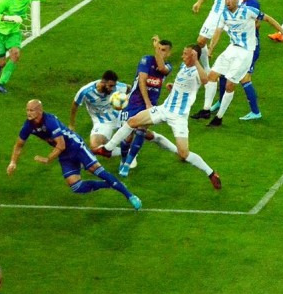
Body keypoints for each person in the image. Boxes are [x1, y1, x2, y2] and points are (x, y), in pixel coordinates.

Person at [99, 45, 222, 189]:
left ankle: (211, 173)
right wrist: (173, 87)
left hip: (179, 117)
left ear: (193, 55)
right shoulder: (183, 66)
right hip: (164, 109)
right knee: (132, 122)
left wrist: (196, 61)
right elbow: (185, 85)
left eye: (185, 54)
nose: (182, 56)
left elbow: (205, 80)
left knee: (184, 154)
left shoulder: (197, 70)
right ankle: (108, 148)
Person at [7, 99, 142, 209]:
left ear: (39, 111)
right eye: (27, 110)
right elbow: (19, 145)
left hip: (76, 147)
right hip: (65, 155)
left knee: (97, 170)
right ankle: (110, 184)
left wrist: (48, 159)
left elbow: (61, 145)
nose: (28, 113)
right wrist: (13, 162)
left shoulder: (50, 121)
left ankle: (130, 196)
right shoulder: (28, 126)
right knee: (76, 186)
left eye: (31, 110)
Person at [196, 0, 283, 127]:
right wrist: (211, 49)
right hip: (232, 48)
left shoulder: (248, 11)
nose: (227, 1)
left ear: (237, 0)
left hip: (245, 52)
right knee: (212, 76)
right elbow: (218, 32)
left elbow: (267, 18)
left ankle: (219, 117)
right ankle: (206, 110)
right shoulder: (224, 14)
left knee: (230, 84)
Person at [104, 36, 173, 177]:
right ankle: (123, 160)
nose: (161, 52)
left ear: (169, 53)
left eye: (164, 50)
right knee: (128, 136)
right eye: (159, 49)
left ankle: (127, 165)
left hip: (151, 102)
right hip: (135, 101)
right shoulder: (146, 60)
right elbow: (142, 81)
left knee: (141, 130)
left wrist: (156, 49)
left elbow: (162, 68)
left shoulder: (168, 67)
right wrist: (147, 102)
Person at [192, 0, 249, 105]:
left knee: (237, 45)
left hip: (233, 15)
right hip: (216, 12)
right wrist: (199, 2)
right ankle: (207, 69)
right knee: (201, 41)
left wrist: (252, 9)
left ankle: (237, 74)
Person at [0, 0, 65, 93]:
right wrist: (9, 18)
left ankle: (1, 84)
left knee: (15, 55)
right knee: (1, 63)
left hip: (13, 32)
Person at [69, 70, 128, 151]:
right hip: (102, 121)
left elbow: (130, 89)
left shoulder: (118, 86)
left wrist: (127, 102)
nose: (112, 89)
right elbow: (75, 104)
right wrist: (71, 125)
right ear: (103, 82)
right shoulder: (86, 91)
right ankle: (125, 152)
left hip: (120, 116)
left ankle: (132, 149)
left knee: (138, 131)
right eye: (110, 86)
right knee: (95, 147)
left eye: (113, 86)